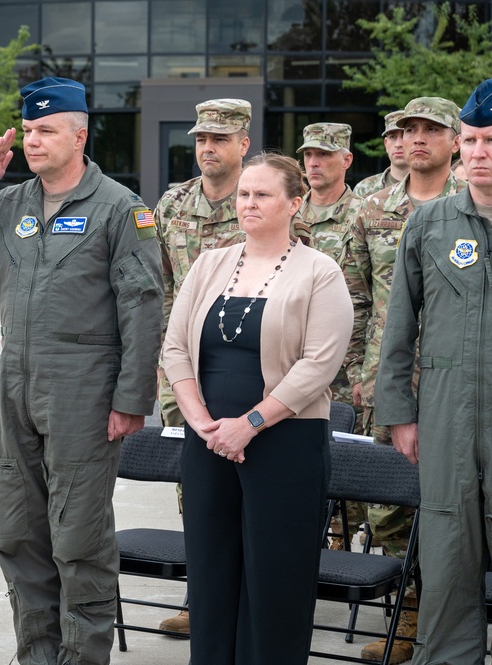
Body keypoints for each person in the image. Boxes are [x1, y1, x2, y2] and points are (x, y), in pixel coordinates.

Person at [0, 76, 163, 665]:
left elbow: (143, 304)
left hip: (83, 388)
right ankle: (37, 655)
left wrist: (132, 398)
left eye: (46, 130)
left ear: (79, 135)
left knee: (78, 540)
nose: (33, 140)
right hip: (16, 388)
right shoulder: (9, 204)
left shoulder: (119, 209)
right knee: (18, 532)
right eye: (28, 130)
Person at [162, 152, 353, 665]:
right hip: (207, 442)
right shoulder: (209, 264)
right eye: (244, 193)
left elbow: (319, 364)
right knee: (211, 572)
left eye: (263, 194)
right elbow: (175, 347)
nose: (249, 202)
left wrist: (249, 424)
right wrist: (200, 420)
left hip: (284, 442)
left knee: (276, 578)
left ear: (295, 202)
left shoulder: (320, 272)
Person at [342, 96, 464, 663]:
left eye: (430, 130)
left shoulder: (471, 205)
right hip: (386, 378)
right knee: (387, 504)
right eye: (406, 130)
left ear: (455, 140)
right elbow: (357, 298)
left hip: (457, 378)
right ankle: (408, 610)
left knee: (454, 500)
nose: (416, 139)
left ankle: (448, 613)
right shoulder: (371, 207)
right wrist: (356, 374)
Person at [376, 77, 492, 665]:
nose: (478, 153)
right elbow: (399, 328)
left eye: (489, 141)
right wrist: (398, 414)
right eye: (471, 141)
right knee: (446, 557)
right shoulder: (430, 224)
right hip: (446, 416)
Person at [152, 98, 252, 636]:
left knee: (251, 483)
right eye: (200, 140)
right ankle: (204, 599)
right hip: (182, 369)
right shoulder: (171, 205)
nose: (207, 149)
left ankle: (250, 596)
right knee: (195, 487)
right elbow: (159, 286)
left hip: (245, 367)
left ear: (243, 143)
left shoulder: (260, 200)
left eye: (219, 139)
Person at [296, 122, 369, 549]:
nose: (314, 163)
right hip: (290, 359)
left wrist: (365, 367)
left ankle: (340, 548)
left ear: (347, 159)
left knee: (343, 467)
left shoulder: (366, 214)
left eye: (324, 155)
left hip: (346, 363)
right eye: (308, 155)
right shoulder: (288, 209)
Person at [353, 111, 408, 198]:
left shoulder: (432, 188)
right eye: (393, 137)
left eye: (404, 136)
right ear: (386, 144)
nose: (398, 144)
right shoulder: (364, 189)